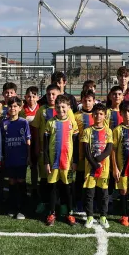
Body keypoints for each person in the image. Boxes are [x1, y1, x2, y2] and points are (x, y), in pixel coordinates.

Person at [32, 84, 77, 215]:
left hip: (65, 156)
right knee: (46, 179)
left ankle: (63, 205)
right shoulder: (43, 110)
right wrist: (37, 147)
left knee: (64, 183)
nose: (51, 97)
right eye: (48, 94)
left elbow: (73, 134)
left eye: (54, 94)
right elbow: (36, 128)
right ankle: (45, 203)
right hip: (48, 152)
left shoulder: (68, 113)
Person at [42, 95, 78, 226]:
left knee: (68, 188)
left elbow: (76, 144)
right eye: (58, 107)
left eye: (63, 107)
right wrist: (46, 162)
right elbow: (45, 145)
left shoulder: (72, 123)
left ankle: (70, 213)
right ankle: (51, 213)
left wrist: (75, 161)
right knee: (53, 187)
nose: (60, 109)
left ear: (69, 107)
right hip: (53, 162)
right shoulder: (50, 123)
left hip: (67, 163)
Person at [82, 104, 112, 229]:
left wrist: (99, 161)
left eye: (101, 114)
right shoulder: (87, 131)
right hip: (90, 167)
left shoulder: (108, 131)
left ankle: (103, 216)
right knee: (90, 193)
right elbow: (86, 150)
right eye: (96, 114)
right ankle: (89, 216)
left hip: (104, 168)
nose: (98, 116)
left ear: (105, 116)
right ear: (92, 115)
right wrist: (94, 164)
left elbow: (108, 149)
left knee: (103, 194)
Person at [1, 97, 30, 219]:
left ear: (19, 108)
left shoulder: (23, 122)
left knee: (21, 181)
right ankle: (12, 206)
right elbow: (2, 141)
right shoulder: (4, 123)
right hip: (9, 157)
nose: (12, 108)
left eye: (15, 106)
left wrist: (28, 156)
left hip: (21, 157)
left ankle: (23, 208)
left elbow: (28, 140)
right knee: (12, 181)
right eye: (10, 106)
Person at [73, 90, 97, 216]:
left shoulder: (98, 115)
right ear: (81, 101)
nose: (87, 103)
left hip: (95, 155)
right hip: (81, 154)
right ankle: (78, 202)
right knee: (80, 179)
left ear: (94, 101)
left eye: (89, 100)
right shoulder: (76, 116)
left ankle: (93, 202)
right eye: (85, 100)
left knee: (93, 179)